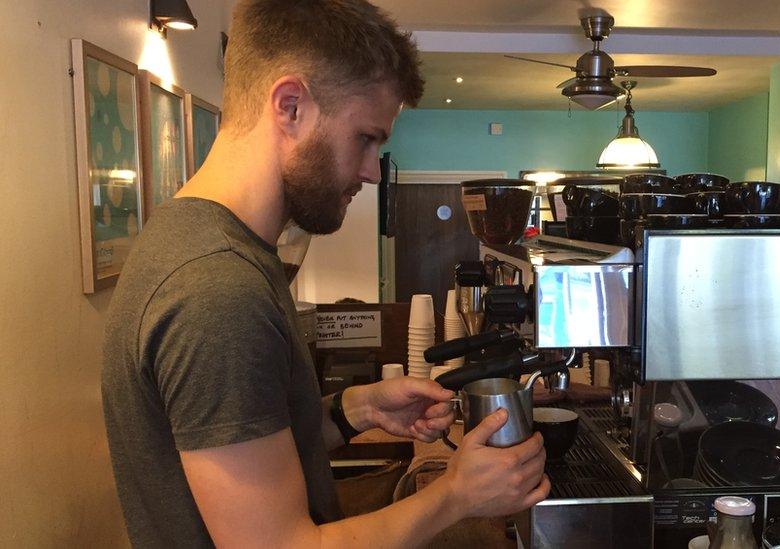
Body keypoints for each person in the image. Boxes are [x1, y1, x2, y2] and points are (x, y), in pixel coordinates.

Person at [100, 1, 549, 547]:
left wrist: (356, 408)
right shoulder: (216, 291)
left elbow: (259, 439)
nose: (369, 170)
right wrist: (456, 496)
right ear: (290, 106)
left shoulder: (203, 241)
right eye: (365, 138)